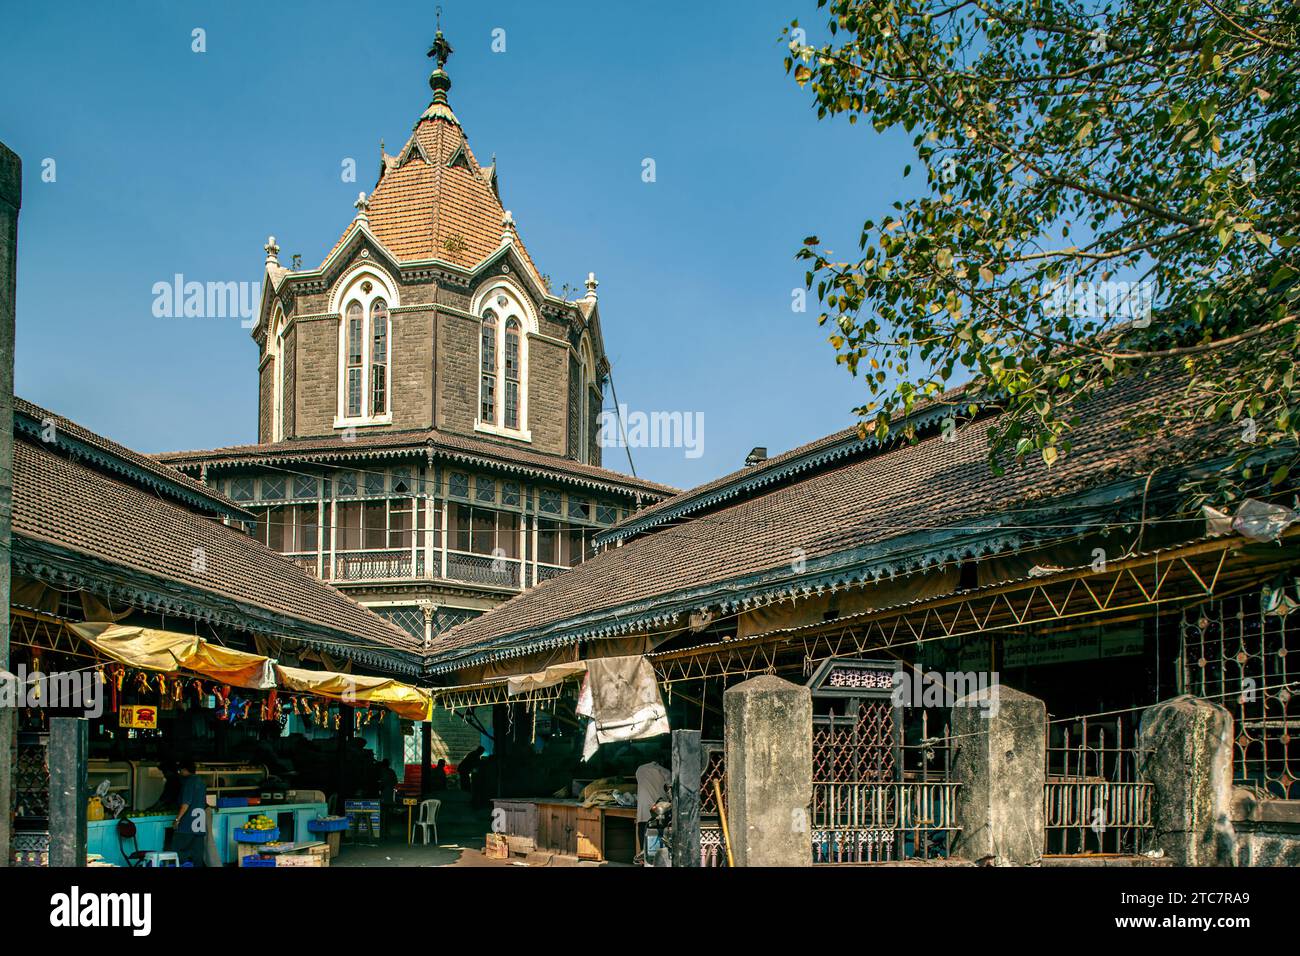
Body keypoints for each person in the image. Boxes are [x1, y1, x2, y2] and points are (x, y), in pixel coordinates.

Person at [173, 758, 208, 867]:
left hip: (187, 824)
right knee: (197, 856)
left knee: (179, 852)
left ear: (184, 769)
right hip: (199, 825)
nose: (180, 773)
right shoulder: (201, 781)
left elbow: (186, 803)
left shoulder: (189, 782)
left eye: (180, 770)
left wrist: (177, 819)